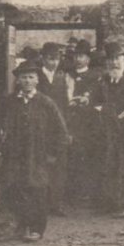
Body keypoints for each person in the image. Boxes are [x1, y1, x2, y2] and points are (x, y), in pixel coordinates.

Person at [0, 61, 69, 242]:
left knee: (37, 190)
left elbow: (61, 132)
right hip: (14, 156)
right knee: (14, 188)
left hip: (38, 156)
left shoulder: (46, 103)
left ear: (37, 80)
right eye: (23, 77)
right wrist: (0, 144)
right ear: (18, 80)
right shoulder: (8, 102)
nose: (27, 81)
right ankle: (22, 224)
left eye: (31, 77)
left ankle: (37, 228)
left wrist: (52, 155)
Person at [87, 41, 124, 218]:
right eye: (111, 60)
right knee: (110, 166)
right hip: (108, 132)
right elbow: (94, 101)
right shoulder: (103, 81)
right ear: (107, 63)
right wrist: (96, 108)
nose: (114, 63)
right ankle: (112, 203)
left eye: (117, 59)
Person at [65, 39, 101, 203]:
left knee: (88, 154)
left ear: (88, 59)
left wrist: (86, 99)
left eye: (82, 56)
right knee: (71, 154)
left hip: (88, 121)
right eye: (77, 56)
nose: (79, 59)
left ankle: (88, 192)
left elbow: (97, 96)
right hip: (71, 120)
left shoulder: (94, 76)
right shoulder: (67, 74)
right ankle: (72, 192)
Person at [37, 41, 70, 215]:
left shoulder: (60, 78)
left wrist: (66, 128)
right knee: (41, 165)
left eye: (56, 59)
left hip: (58, 127)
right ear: (42, 58)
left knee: (59, 166)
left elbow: (64, 104)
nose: (53, 63)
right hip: (41, 127)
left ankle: (56, 203)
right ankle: (42, 203)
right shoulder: (35, 77)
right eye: (50, 59)